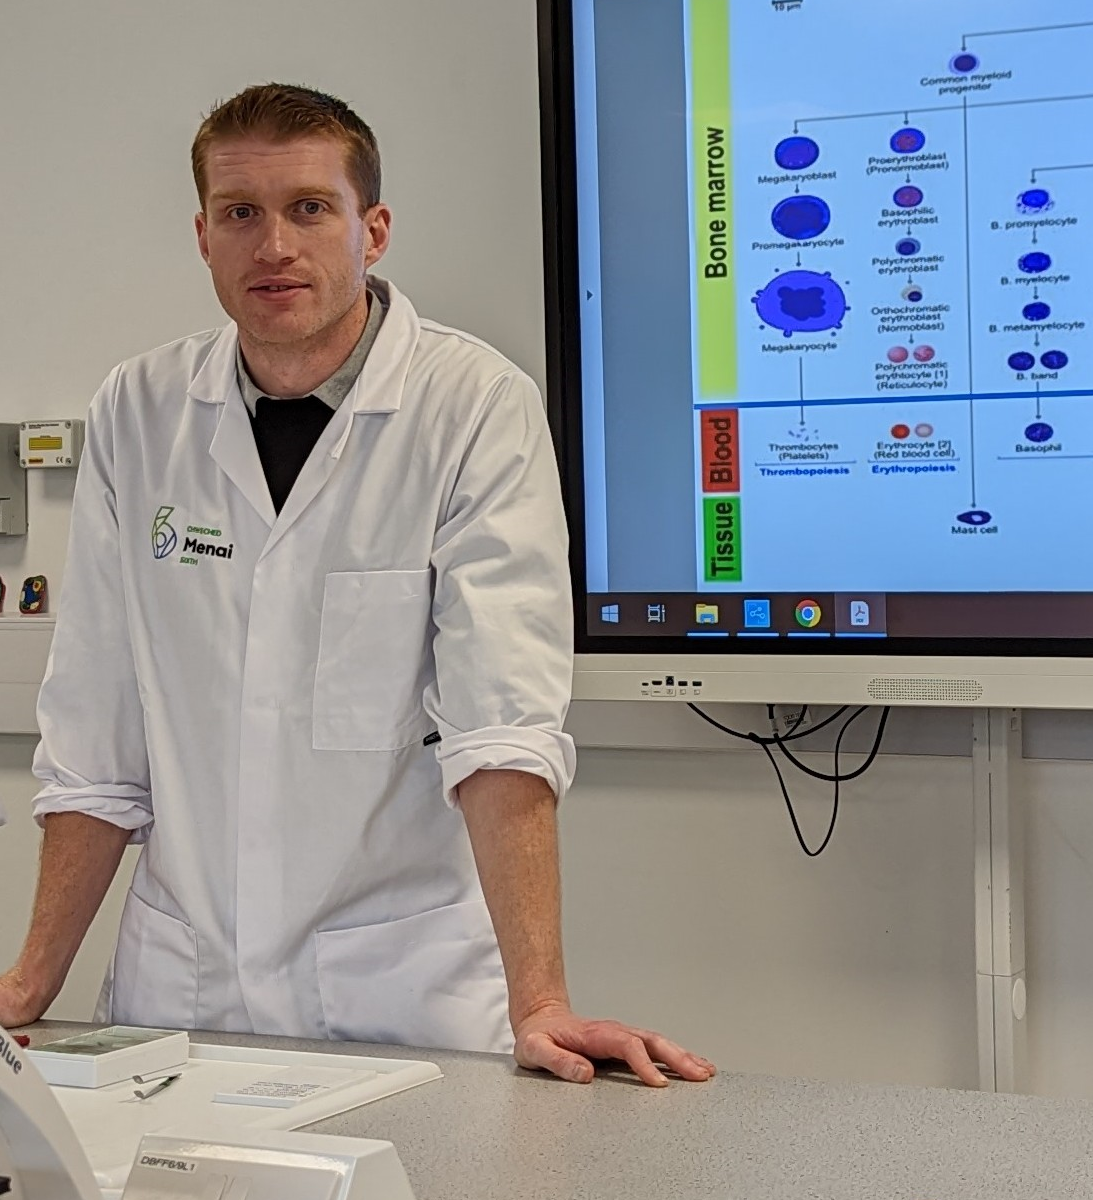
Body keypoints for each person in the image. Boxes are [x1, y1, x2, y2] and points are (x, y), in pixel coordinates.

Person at [0, 84, 712, 1089]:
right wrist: (28, 984)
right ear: (202, 236)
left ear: (372, 229)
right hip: (177, 1001)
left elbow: (499, 726)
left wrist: (542, 1001)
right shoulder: (140, 409)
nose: (275, 246)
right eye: (241, 214)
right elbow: (95, 735)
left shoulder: (472, 406)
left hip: (400, 1006)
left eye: (309, 208)